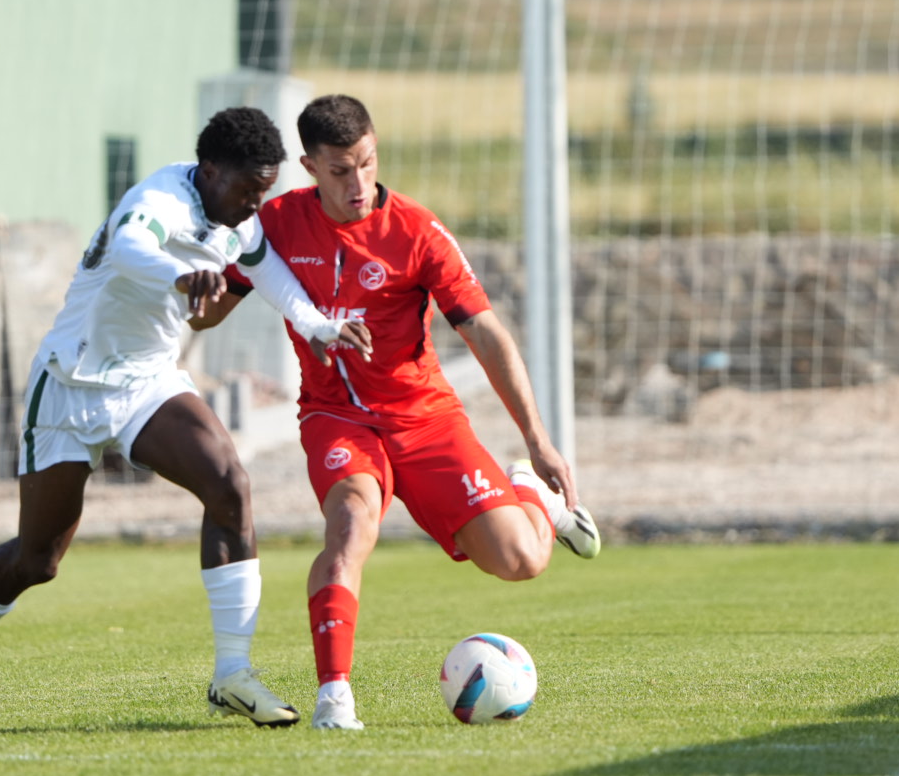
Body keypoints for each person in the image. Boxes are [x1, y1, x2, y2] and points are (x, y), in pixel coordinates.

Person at [0, 107, 373, 727]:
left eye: (264, 193)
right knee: (40, 560)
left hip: (146, 382)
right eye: (247, 191)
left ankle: (233, 673)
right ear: (211, 172)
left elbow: (263, 264)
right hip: (70, 384)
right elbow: (131, 246)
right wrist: (181, 272)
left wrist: (317, 322)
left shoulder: (237, 215)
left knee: (228, 482)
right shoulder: (159, 200)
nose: (254, 207)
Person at [192, 93, 600, 730]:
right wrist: (195, 284)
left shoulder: (416, 231)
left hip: (425, 417)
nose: (358, 183)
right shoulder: (274, 224)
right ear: (308, 166)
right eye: (339, 170)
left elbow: (486, 333)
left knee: (521, 561)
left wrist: (538, 440)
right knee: (350, 525)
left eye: (367, 163)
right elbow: (214, 306)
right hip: (336, 418)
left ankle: (530, 495)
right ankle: (335, 697)